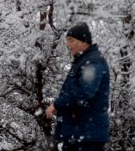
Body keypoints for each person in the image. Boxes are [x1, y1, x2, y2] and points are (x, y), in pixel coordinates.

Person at [45, 22, 110, 151]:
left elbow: (84, 93)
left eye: (71, 40)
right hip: (80, 134)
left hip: (86, 137)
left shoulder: (92, 62)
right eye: (67, 41)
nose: (67, 45)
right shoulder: (84, 61)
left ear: (84, 40)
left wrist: (58, 104)